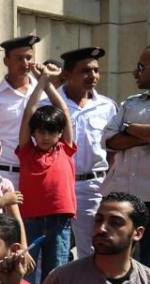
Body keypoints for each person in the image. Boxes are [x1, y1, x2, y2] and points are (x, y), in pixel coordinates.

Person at [42, 192, 150, 284]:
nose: (101, 229)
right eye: (98, 220)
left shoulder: (148, 282)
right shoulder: (61, 279)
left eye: (115, 223)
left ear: (138, 233)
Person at [16, 62, 76, 283]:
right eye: (40, 132)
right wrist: (42, 81)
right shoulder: (27, 151)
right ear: (33, 133)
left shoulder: (65, 148)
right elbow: (28, 113)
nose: (45, 137)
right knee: (27, 271)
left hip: (59, 219)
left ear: (60, 133)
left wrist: (48, 82)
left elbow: (64, 111)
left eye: (51, 132)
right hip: (31, 218)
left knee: (55, 272)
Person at [55, 47, 117, 257]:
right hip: (60, 186)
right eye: (85, 71)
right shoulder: (50, 104)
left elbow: (113, 149)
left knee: (92, 247)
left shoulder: (107, 106)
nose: (93, 76)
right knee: (57, 248)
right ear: (67, 74)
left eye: (96, 70)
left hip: (94, 187)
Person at [102, 44, 150, 267]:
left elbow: (121, 135)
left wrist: (130, 128)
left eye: (141, 67)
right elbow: (110, 140)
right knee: (120, 259)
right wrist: (145, 135)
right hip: (124, 198)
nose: (135, 72)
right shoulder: (131, 103)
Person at [0, 35, 42, 186]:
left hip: (37, 171)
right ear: (6, 61)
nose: (25, 63)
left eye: (29, 58)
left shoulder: (43, 93)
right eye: (19, 58)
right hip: (3, 173)